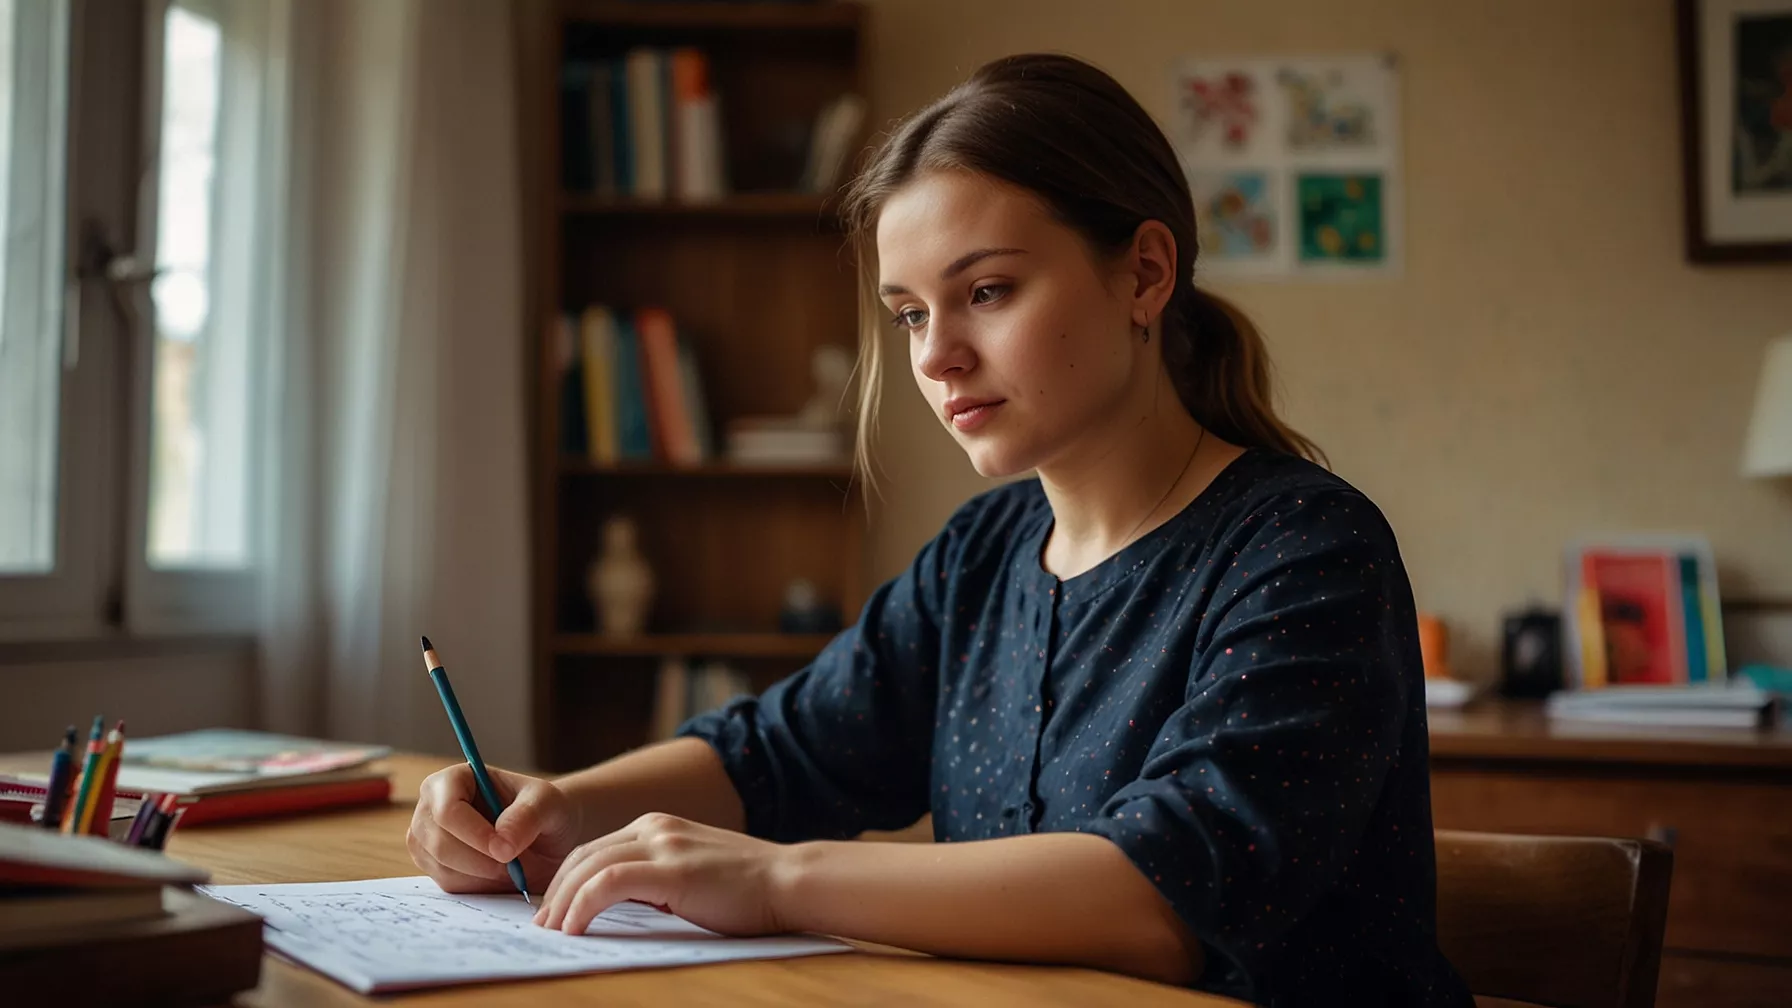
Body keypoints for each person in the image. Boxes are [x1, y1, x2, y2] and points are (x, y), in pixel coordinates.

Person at [408, 53, 1472, 1007]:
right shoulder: (984, 551)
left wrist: (775, 878)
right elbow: (780, 753)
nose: (934, 356)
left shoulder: (1306, 549)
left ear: (1145, 273)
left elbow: (1161, 894)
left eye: (988, 291)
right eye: (911, 313)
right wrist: (553, 809)